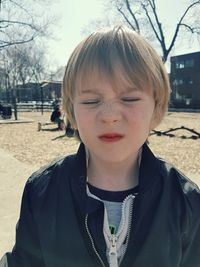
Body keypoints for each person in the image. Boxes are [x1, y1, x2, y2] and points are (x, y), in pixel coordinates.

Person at [1, 25, 200, 267]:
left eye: (129, 99)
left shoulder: (185, 202)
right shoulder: (42, 190)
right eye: (91, 100)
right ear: (71, 109)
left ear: (156, 108)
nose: (109, 116)